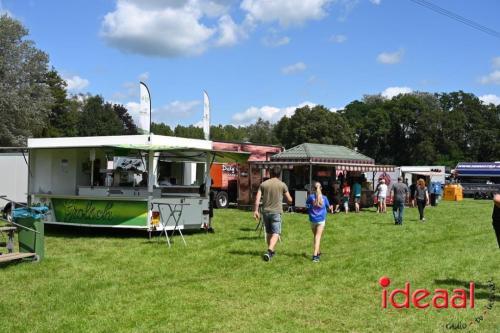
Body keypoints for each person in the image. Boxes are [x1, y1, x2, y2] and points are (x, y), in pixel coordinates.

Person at [254, 166, 293, 261]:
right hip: (276, 212)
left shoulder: (263, 184)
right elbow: (290, 199)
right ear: (279, 174)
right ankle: (270, 250)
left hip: (265, 212)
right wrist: (289, 202)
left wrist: (256, 210)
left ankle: (271, 253)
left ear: (270, 173)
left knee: (268, 232)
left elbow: (257, 198)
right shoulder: (282, 185)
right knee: (276, 233)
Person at [306, 182, 333, 262]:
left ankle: (318, 252)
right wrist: (331, 208)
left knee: (315, 236)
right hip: (321, 220)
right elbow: (329, 206)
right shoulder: (324, 198)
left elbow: (307, 205)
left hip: (312, 219)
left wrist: (311, 206)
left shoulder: (311, 197)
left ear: (313, 189)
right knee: (318, 237)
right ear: (321, 188)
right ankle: (315, 256)